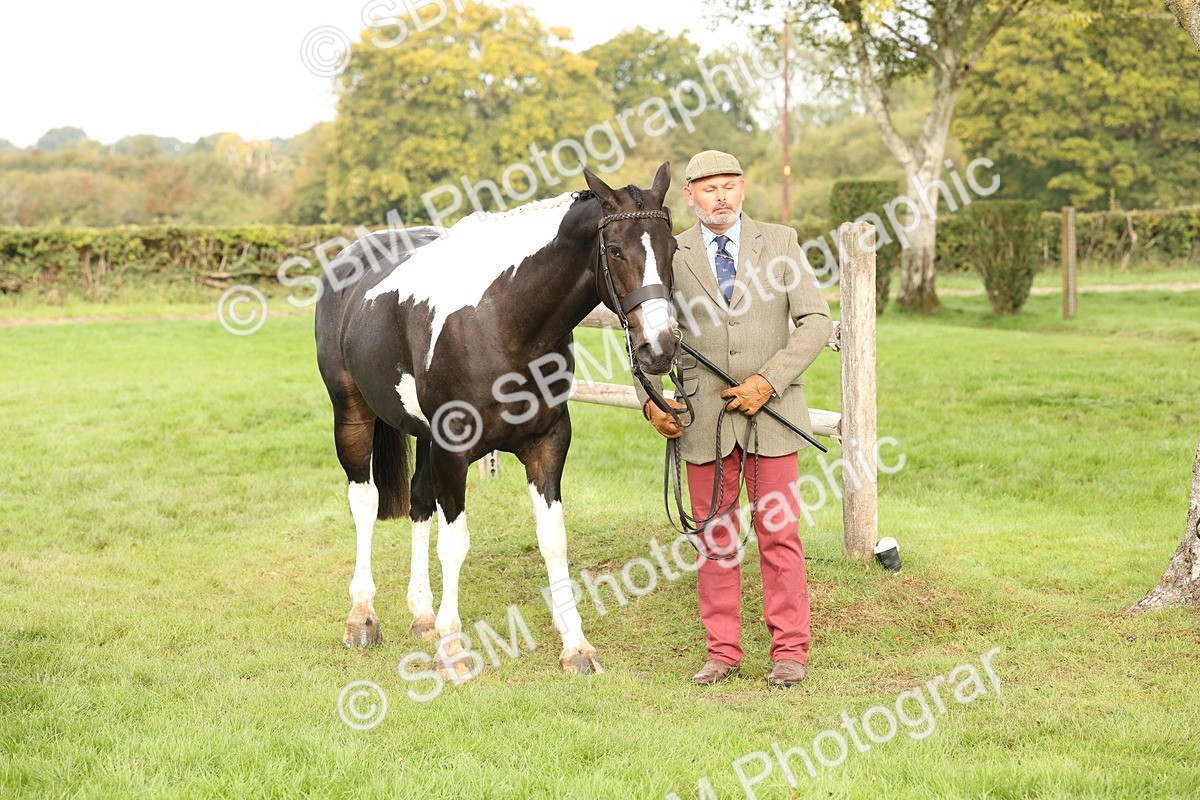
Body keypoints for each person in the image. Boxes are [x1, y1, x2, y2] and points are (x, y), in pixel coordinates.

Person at [638, 150, 833, 687]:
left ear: (743, 188)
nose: (721, 196)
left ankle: (789, 652)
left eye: (730, 185)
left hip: (774, 415)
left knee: (780, 534)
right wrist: (652, 400)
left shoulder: (782, 242)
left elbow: (816, 319)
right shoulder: (669, 252)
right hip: (702, 420)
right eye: (709, 188)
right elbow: (647, 335)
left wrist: (767, 381)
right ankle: (722, 653)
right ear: (690, 196)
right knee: (715, 539)